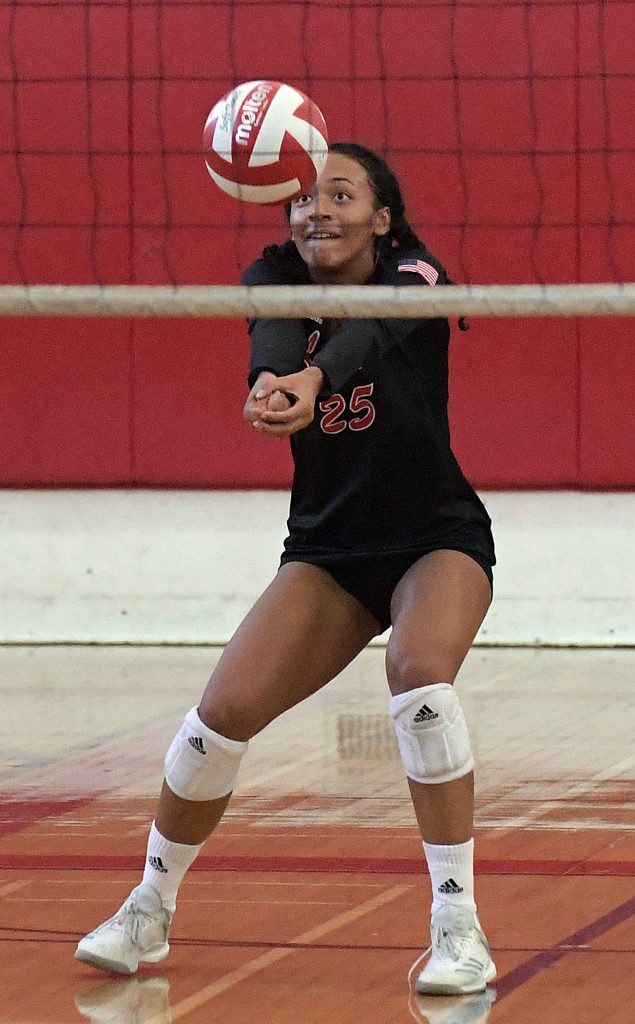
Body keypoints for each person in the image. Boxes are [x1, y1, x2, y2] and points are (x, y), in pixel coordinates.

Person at [74, 142, 498, 996]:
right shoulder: (271, 274)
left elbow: (375, 329)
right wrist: (272, 381)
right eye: (303, 198)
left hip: (436, 539)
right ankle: (149, 908)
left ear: (381, 217)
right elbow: (271, 333)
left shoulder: (417, 273)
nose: (317, 211)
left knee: (417, 676)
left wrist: (314, 375)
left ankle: (458, 928)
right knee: (217, 719)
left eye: (340, 195)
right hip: (327, 551)